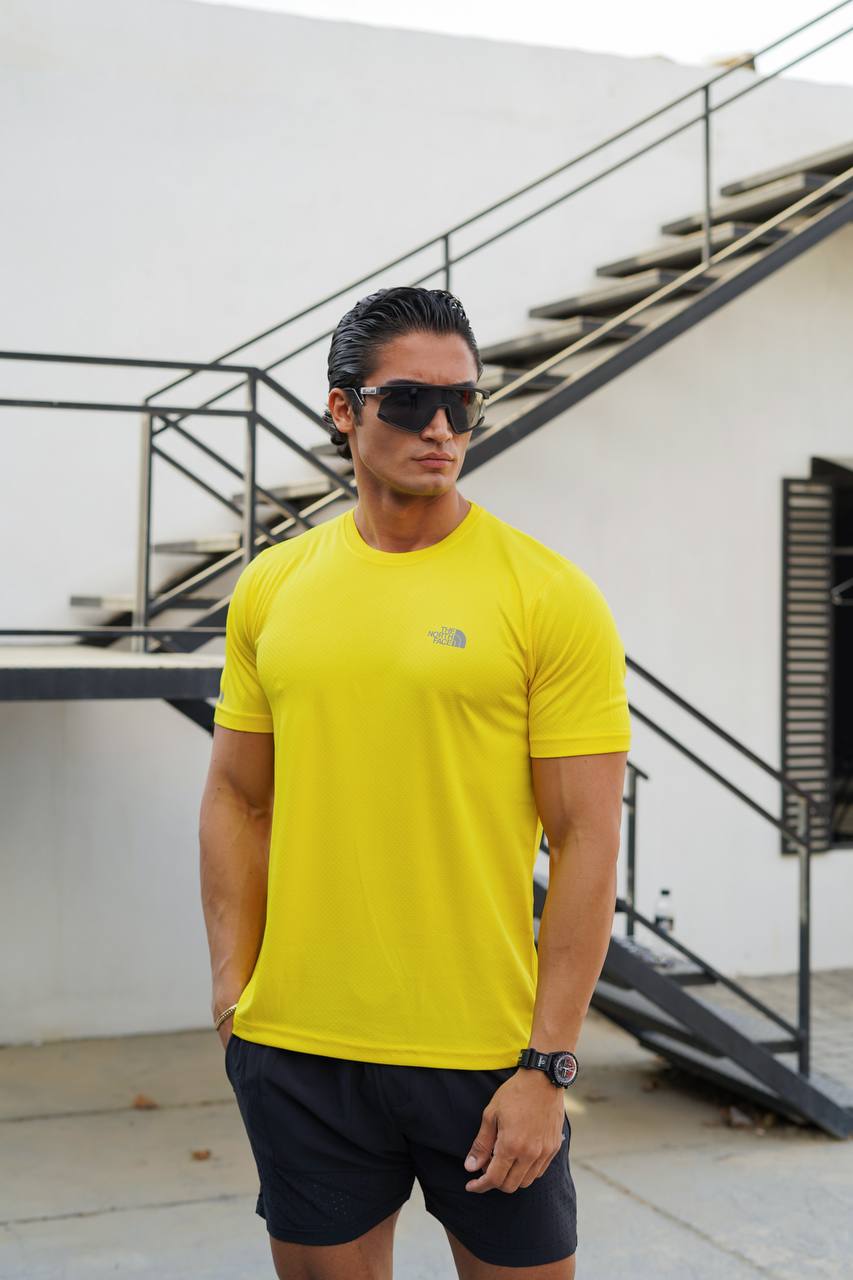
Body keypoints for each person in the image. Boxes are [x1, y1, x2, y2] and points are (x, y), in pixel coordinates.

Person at [199, 285, 631, 1279]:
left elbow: (586, 836)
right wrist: (233, 994)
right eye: (408, 401)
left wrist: (549, 1063)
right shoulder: (273, 586)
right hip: (300, 1051)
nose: (441, 428)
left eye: (462, 403)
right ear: (342, 409)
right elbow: (236, 796)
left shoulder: (547, 595)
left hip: (486, 1056)